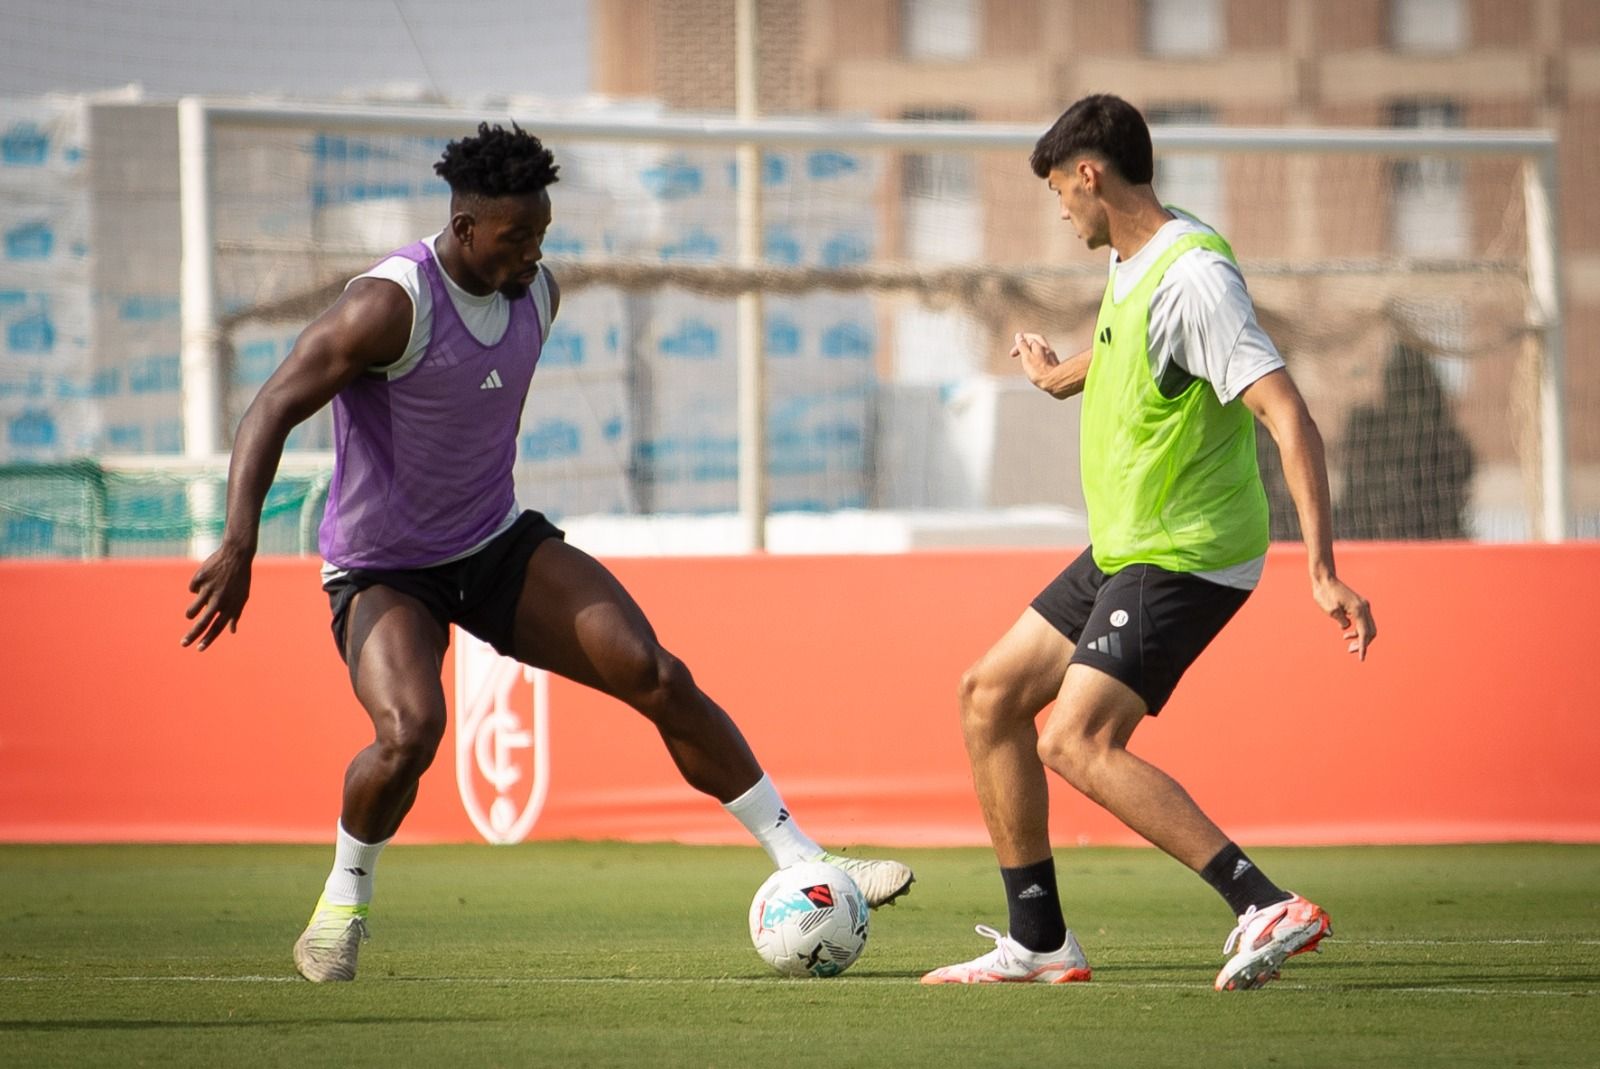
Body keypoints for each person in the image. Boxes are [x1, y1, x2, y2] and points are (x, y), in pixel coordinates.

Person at [181, 122, 913, 983]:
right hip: (385, 569)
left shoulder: (539, 294)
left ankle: (805, 859)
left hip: (494, 542)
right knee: (410, 733)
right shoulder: (391, 304)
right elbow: (270, 406)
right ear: (464, 229)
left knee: (655, 671)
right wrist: (239, 540)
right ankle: (341, 905)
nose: (534, 251)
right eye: (516, 236)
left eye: (542, 233)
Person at [920, 95, 1377, 992]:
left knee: (1074, 738)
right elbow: (1137, 348)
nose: (1061, 210)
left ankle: (1265, 903)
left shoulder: (1194, 275)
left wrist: (1322, 570)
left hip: (1187, 550)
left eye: (1059, 190)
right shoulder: (1138, 260)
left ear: (1089, 176)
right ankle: (1040, 941)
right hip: (1127, 541)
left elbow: (1288, 414)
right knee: (988, 698)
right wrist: (1059, 377)